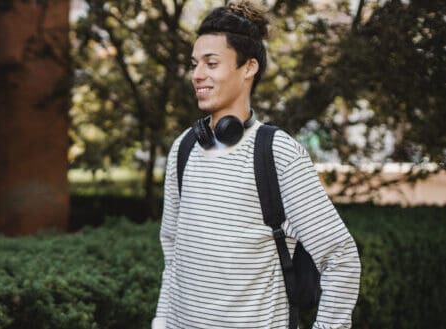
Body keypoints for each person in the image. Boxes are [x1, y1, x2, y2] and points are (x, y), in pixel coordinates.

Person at [152, 2, 361, 328]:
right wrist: (161, 322)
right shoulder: (185, 147)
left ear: (248, 67)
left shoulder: (278, 154)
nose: (197, 75)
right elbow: (173, 253)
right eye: (194, 64)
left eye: (211, 63)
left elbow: (341, 258)